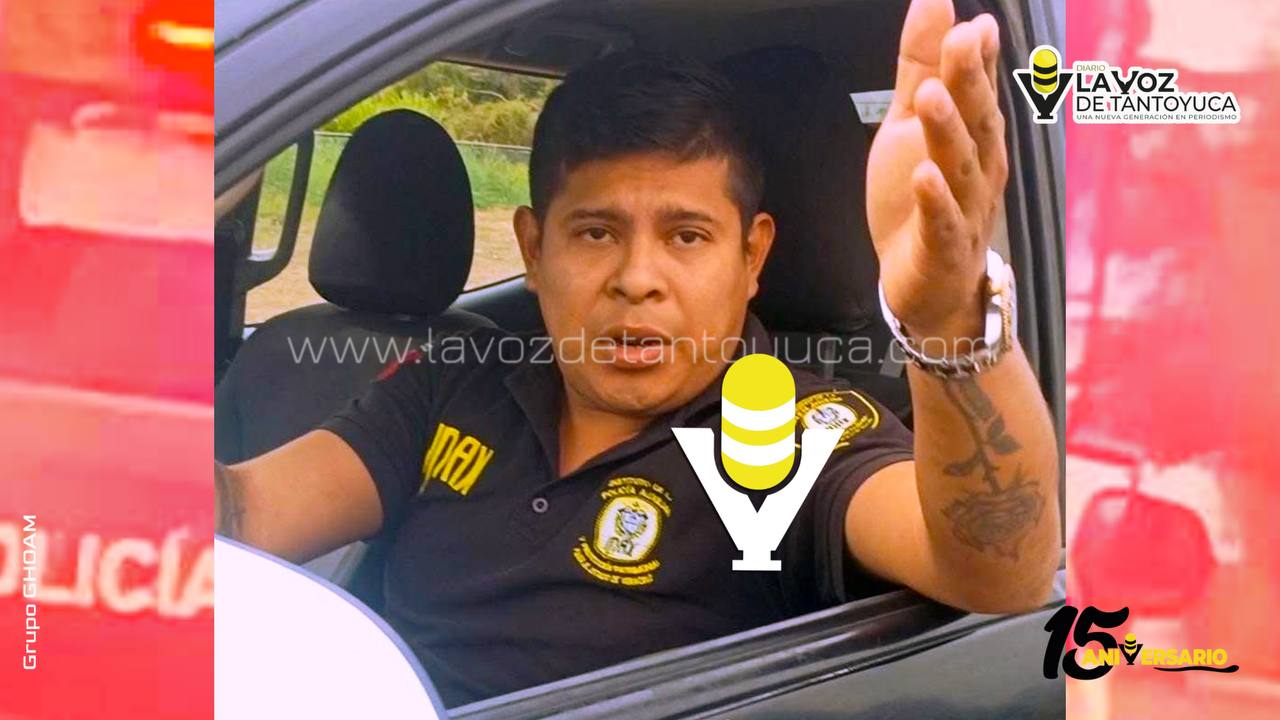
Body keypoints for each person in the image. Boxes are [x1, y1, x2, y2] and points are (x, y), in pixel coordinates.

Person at [215, 0, 1059, 706]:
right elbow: (247, 514)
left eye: (687, 235)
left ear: (752, 256)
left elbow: (1003, 571)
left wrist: (948, 323)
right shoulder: (455, 378)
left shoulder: (800, 432)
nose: (637, 279)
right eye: (596, 232)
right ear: (534, 247)